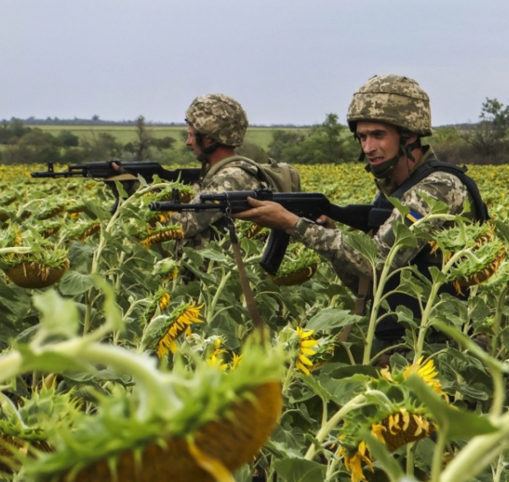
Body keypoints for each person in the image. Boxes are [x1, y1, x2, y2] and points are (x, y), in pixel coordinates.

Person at [233, 75, 474, 346]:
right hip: (399, 341)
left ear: (409, 136)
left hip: (443, 353)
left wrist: (293, 224)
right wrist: (328, 234)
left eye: (378, 135)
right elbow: (367, 284)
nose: (368, 147)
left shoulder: (438, 187)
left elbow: (378, 262)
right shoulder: (392, 192)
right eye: (362, 137)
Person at [154, 94, 273, 247]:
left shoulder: (232, 178)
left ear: (209, 139)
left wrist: (139, 198)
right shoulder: (219, 173)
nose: (188, 142)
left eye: (191, 135)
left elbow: (184, 225)